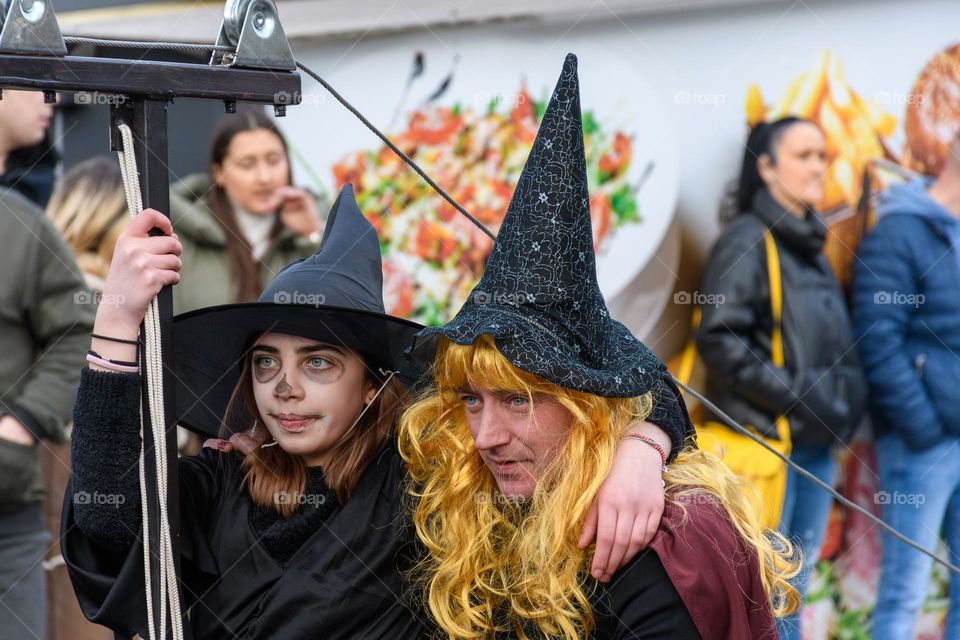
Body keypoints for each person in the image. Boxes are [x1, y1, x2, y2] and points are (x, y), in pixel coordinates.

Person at [62, 180, 683, 638]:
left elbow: (625, 374)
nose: (284, 388)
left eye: (318, 363)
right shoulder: (222, 481)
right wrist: (115, 322)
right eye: (266, 363)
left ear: (369, 384)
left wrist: (644, 444)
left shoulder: (427, 482)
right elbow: (106, 519)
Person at [398, 53, 799, 640]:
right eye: (472, 399)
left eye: (517, 400)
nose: (484, 437)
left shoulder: (658, 551)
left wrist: (647, 440)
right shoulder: (474, 500)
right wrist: (649, 437)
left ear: (589, 400)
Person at [695, 116, 867, 639]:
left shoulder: (810, 245)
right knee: (769, 597)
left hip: (812, 445)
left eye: (822, 156)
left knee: (793, 591)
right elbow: (719, 338)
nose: (818, 167)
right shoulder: (747, 239)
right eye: (803, 155)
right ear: (766, 168)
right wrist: (802, 396)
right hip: (771, 448)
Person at [853, 129, 960, 640]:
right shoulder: (898, 232)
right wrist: (922, 427)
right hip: (921, 444)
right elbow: (877, 341)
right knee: (905, 592)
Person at [0, 89, 95, 640]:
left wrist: (24, 422)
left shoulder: (23, 225)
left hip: (8, 516)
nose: (51, 99)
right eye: (35, 81)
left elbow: (77, 331)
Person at [170, 109, 325, 313]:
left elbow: (339, 305)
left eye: (273, 160)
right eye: (247, 164)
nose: (264, 177)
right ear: (218, 173)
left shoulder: (321, 219)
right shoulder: (178, 232)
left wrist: (311, 237)